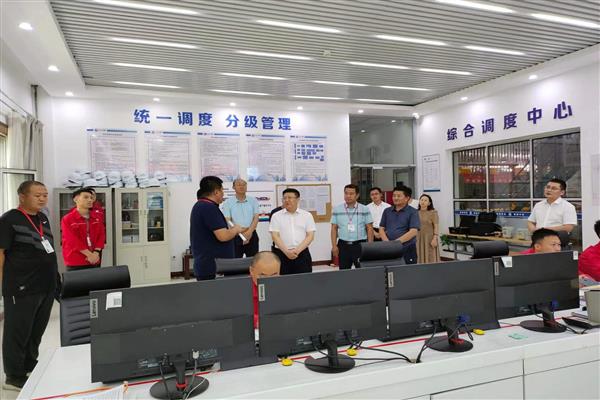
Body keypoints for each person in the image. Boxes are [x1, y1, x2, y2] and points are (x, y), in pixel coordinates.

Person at [0, 181, 58, 391]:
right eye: (37, 195)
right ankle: (13, 376)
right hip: (21, 287)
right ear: (22, 196)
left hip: (45, 285)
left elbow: (48, 250)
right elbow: (1, 253)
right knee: (17, 332)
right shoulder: (9, 220)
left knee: (36, 330)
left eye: (45, 195)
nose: (42, 198)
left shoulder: (42, 218)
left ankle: (30, 364)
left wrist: (56, 281)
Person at [190, 176, 243, 280]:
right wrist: (236, 229)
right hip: (212, 268)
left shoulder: (201, 205)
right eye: (222, 190)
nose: (223, 193)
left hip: (210, 265)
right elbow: (223, 236)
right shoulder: (208, 208)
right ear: (216, 192)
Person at [269, 188, 316, 275]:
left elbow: (310, 236)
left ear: (297, 199)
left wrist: (297, 251)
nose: (287, 200)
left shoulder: (307, 215)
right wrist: (287, 252)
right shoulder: (276, 216)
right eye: (284, 198)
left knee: (304, 279)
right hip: (281, 254)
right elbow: (275, 236)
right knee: (282, 280)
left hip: (301, 253)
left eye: (290, 197)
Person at [61, 187, 106, 269]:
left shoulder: (97, 217)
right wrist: (89, 255)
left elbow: (101, 235)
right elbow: (72, 240)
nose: (90, 200)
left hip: (94, 258)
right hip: (76, 260)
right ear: (76, 199)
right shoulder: (67, 219)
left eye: (91, 198)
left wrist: (96, 252)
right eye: (86, 197)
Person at [331, 184, 374, 270]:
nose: (348, 196)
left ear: (357, 195)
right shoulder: (337, 209)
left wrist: (369, 246)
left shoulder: (364, 209)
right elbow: (334, 228)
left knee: (362, 271)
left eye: (351, 194)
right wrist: (334, 246)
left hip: (360, 245)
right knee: (344, 271)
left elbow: (369, 228)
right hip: (343, 245)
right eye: (346, 193)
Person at [380, 185, 420, 264]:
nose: (395, 198)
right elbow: (381, 228)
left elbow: (413, 231)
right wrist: (387, 242)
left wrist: (395, 243)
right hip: (389, 248)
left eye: (399, 196)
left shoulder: (413, 212)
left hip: (407, 248)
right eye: (394, 195)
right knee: (390, 269)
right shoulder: (387, 211)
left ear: (407, 198)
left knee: (407, 270)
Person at [222, 179, 260, 258]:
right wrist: (239, 232)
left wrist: (249, 232)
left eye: (244, 184)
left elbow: (256, 218)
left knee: (253, 261)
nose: (242, 186)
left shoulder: (253, 201)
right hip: (235, 235)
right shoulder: (228, 202)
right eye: (239, 185)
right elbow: (228, 220)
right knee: (235, 261)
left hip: (251, 234)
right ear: (233, 187)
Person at [249, 251, 281, 328]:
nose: (268, 281)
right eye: (262, 275)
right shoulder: (241, 291)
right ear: (251, 271)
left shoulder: (286, 288)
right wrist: (258, 321)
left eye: (274, 275)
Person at [416, 194, 440, 263]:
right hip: (418, 238)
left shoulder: (433, 212)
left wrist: (435, 238)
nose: (423, 202)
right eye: (421, 200)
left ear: (429, 203)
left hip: (429, 238)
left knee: (430, 257)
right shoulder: (415, 212)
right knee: (418, 256)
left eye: (425, 200)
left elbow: (436, 226)